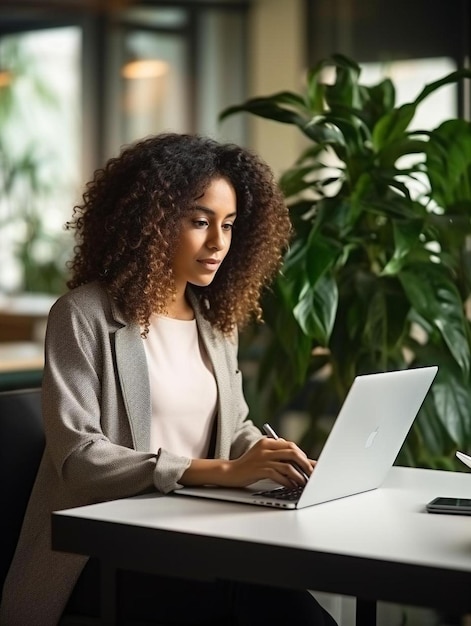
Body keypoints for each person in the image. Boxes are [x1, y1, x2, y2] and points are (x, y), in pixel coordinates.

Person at [0, 133, 337, 626]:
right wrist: (221, 472)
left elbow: (234, 428)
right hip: (106, 550)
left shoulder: (215, 322)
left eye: (229, 225)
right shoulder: (83, 315)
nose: (218, 242)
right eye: (200, 222)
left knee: (293, 606)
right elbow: (80, 460)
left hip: (196, 533)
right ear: (150, 221)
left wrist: (279, 458)